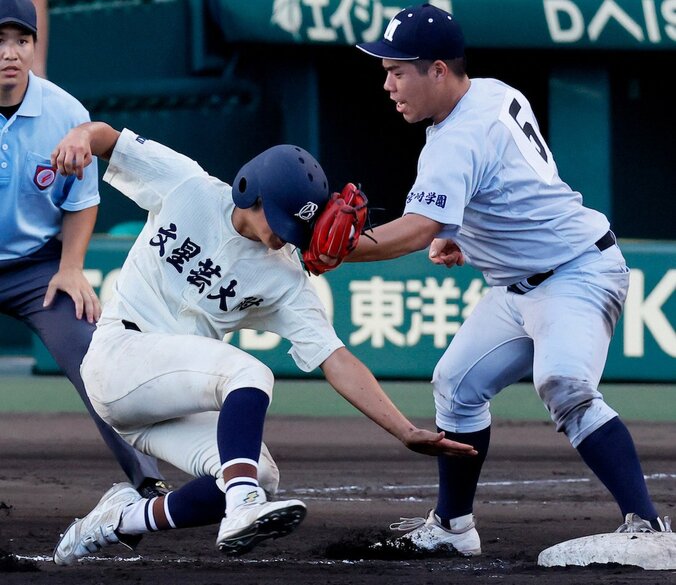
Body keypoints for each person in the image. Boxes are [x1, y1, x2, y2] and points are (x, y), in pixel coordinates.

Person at [49, 121, 478, 565]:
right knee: (249, 373)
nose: (284, 233)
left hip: (165, 403)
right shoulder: (187, 185)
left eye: (295, 225)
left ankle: (120, 520)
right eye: (279, 217)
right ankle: (242, 506)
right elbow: (107, 139)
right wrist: (82, 137)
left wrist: (405, 431)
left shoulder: (284, 276)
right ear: (247, 191)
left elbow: (336, 357)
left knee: (258, 473)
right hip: (117, 358)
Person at [341, 2, 670, 555]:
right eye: (386, 71)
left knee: (564, 383)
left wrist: (340, 251)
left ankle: (648, 526)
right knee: (456, 386)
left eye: (398, 70)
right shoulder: (493, 91)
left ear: (438, 70)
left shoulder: (455, 138)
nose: (389, 84)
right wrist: (461, 234)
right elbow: (508, 187)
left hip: (576, 273)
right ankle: (451, 527)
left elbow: (418, 228)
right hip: (519, 283)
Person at [0, 0, 166, 498]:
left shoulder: (66, 114)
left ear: (34, 46)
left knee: (97, 359)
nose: (10, 53)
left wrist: (71, 269)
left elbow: (82, 201)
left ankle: (149, 483)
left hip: (37, 268)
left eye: (21, 41)